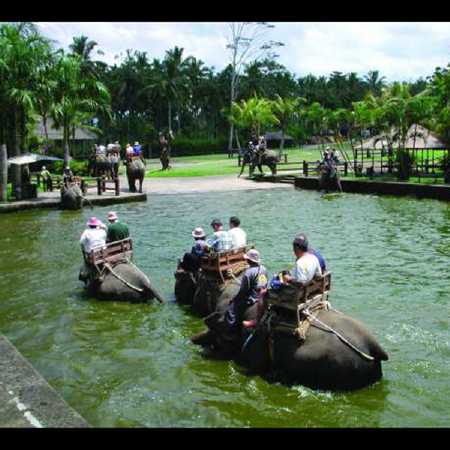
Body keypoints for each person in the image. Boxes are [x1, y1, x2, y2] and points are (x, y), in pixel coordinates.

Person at [224, 249, 268, 329]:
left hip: (252, 298)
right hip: (262, 294)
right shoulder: (263, 268)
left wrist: (235, 299)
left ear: (249, 260)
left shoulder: (248, 273)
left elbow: (243, 291)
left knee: (231, 308)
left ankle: (231, 330)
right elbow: (264, 283)